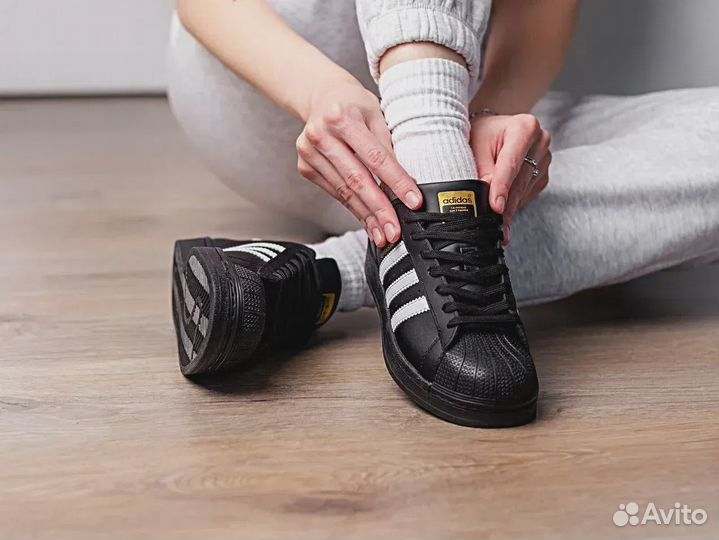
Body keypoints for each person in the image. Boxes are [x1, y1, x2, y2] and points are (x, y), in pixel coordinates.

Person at [167, 0, 719, 427]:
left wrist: (495, 111)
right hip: (275, 78)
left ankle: (334, 272)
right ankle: (432, 179)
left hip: (463, 95)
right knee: (428, 127)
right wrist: (320, 92)